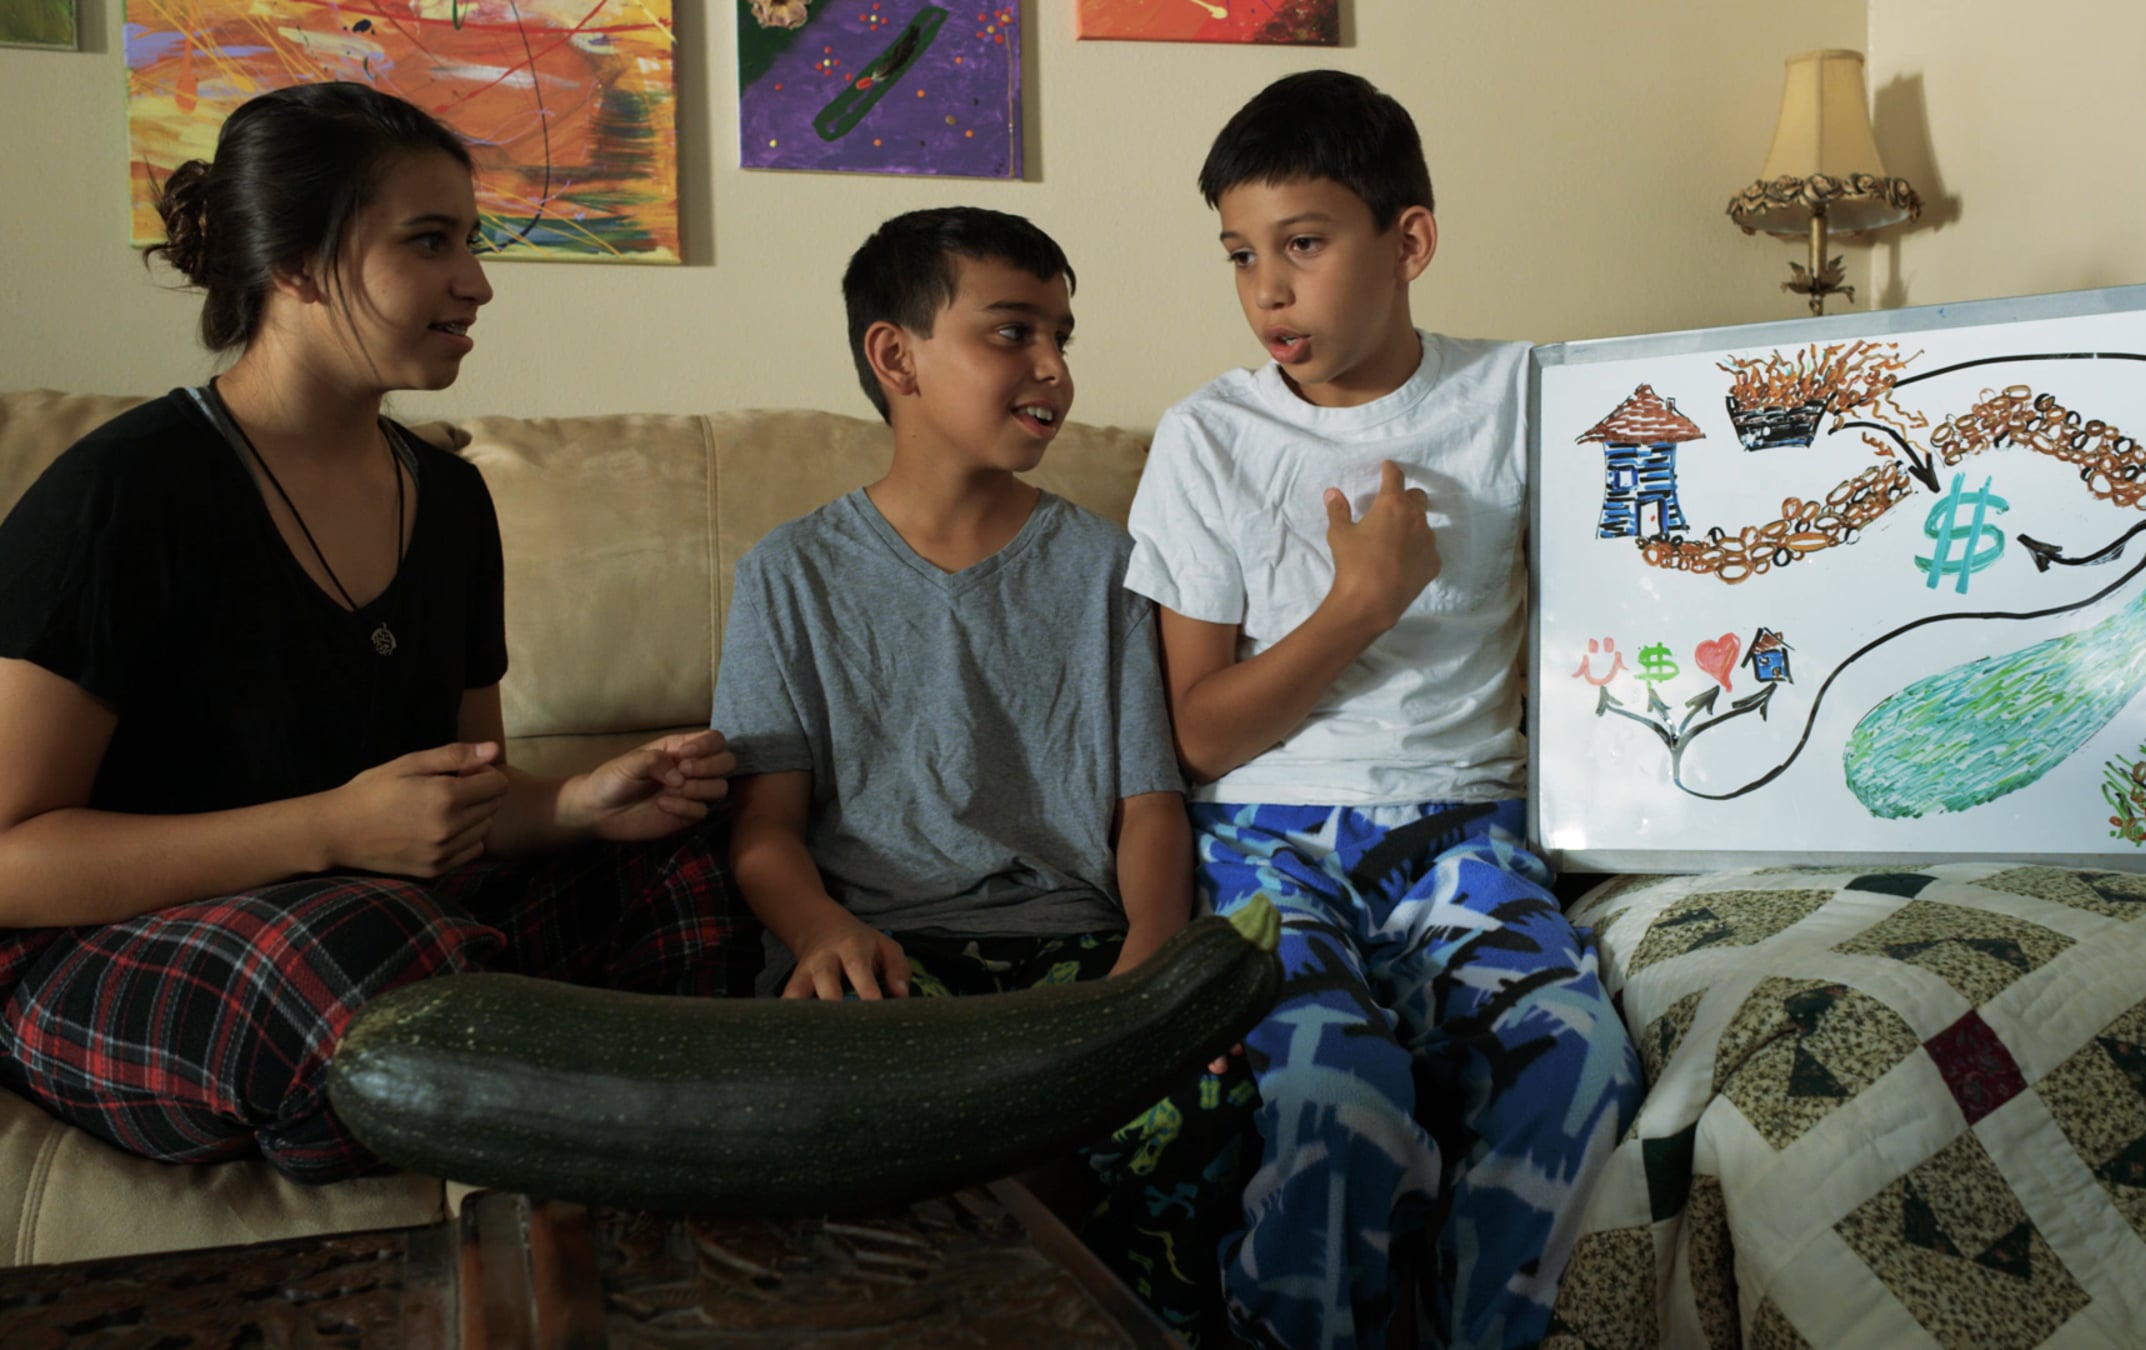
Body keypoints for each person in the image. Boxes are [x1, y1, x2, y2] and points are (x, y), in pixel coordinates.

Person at [0, 82, 755, 1185]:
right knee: (366, 950)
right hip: (115, 944)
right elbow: (10, 860)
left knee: (697, 857)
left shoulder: (450, 502)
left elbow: (461, 805)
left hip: (394, 922)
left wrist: (581, 805)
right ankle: (529, 1080)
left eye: (472, 241)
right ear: (297, 263)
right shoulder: (122, 494)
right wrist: (328, 829)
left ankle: (608, 1142)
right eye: (430, 241)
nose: (477, 281)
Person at [1123, 70, 1647, 1350]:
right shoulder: (1207, 437)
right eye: (1241, 255)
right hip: (1267, 840)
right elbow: (1198, 735)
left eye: (1302, 245)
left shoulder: (1526, 396)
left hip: (1468, 831)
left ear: (1408, 241)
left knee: (1577, 1058)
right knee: (1335, 1090)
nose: (1267, 291)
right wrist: (1357, 606)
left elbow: (1644, 597)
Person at [710, 206, 1251, 1336]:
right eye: (1013, 332)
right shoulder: (788, 575)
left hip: (1078, 948)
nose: (1053, 367)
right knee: (845, 1128)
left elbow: (1150, 805)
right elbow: (763, 833)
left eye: (1061, 335)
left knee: (1209, 1109)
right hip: (882, 955)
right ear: (895, 356)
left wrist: (1149, 972)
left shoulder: (1110, 566)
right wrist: (820, 930)